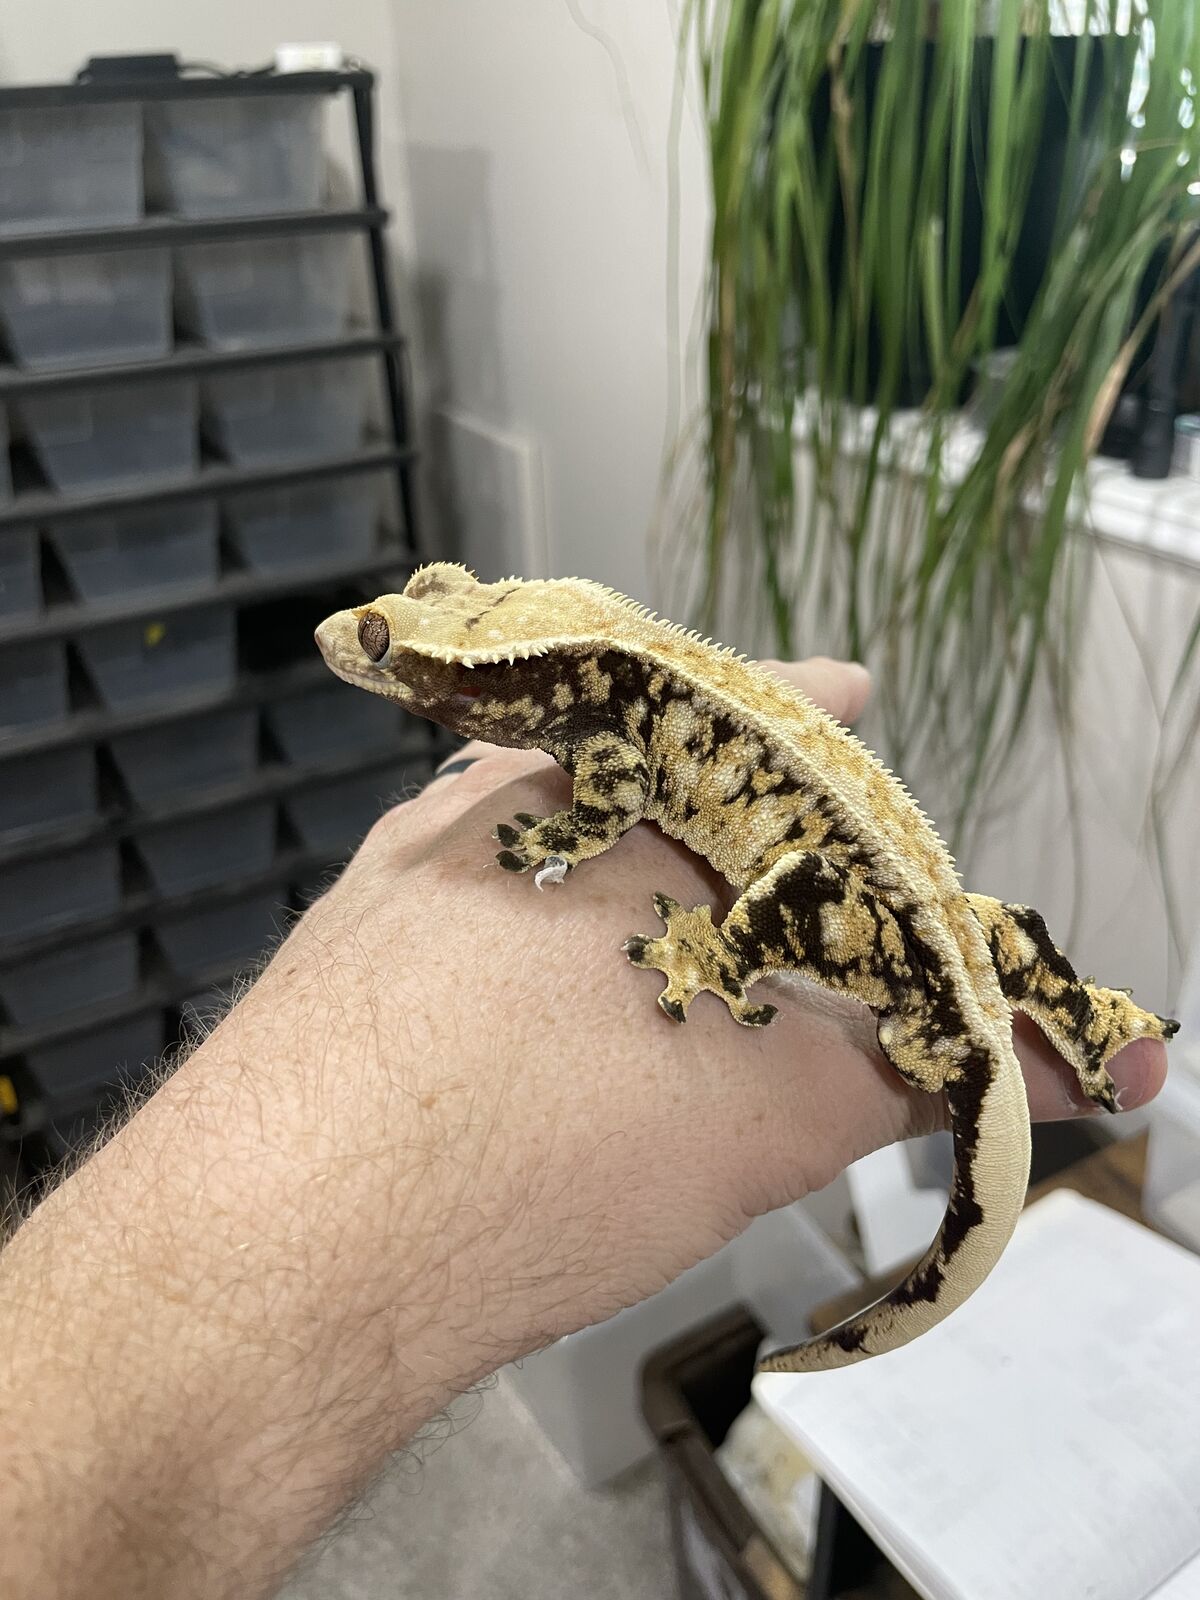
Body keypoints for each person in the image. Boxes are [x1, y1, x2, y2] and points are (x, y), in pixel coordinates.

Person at [0, 658, 1167, 1600]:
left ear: (502, 689)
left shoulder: (602, 731)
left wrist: (685, 935)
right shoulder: (599, 699)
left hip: (869, 930)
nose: (368, 648)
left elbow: (613, 793)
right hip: (930, 930)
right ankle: (1077, 1009)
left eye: (404, 658)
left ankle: (755, 956)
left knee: (810, 900)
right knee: (994, 931)